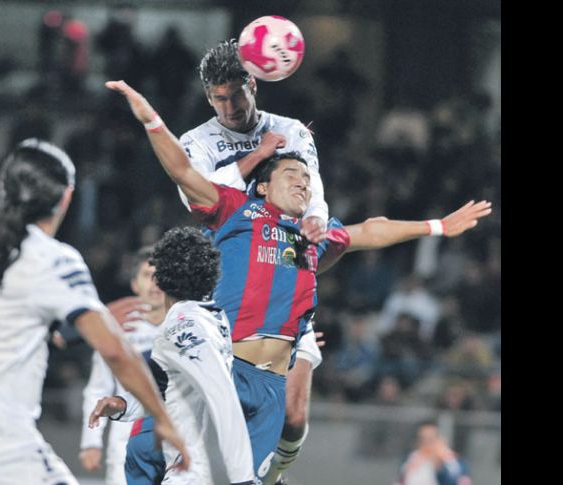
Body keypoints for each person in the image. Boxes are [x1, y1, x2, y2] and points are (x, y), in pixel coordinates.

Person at [105, 78, 491, 481]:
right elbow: (183, 171)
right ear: (264, 186)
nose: (302, 181)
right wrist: (149, 117)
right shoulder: (237, 210)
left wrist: (438, 227)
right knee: (153, 455)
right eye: (291, 173)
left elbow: (372, 230)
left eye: (306, 178)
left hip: (270, 384)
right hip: (223, 365)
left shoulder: (314, 238)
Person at [0, 139, 189, 484]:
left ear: (5, 189)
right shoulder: (53, 259)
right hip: (0, 448)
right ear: (66, 197)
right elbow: (116, 351)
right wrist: (161, 418)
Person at [178, 39, 328, 482]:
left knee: (295, 415)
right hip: (229, 278)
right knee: (216, 411)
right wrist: (260, 155)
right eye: (219, 98)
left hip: (288, 264)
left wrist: (317, 218)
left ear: (253, 85)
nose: (230, 107)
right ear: (208, 96)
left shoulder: (293, 129)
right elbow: (197, 198)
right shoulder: (196, 142)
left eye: (236, 94)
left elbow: (313, 184)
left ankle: (271, 473)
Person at [90, 227, 257, 485]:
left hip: (190, 471)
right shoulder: (212, 316)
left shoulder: (183, 326)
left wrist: (244, 479)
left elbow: (222, 396)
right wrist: (123, 405)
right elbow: (171, 390)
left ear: (162, 277)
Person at [79, 247, 166, 484]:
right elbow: (99, 388)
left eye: (162, 276)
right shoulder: (119, 328)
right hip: (126, 444)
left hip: (175, 444)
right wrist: (91, 442)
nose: (155, 284)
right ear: (135, 284)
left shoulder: (187, 326)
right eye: (148, 276)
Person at [395, 421, 472, 485]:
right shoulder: (410, 459)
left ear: (440, 439)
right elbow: (400, 480)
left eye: (431, 439)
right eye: (423, 439)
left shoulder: (454, 461)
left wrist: (439, 467)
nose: (427, 444)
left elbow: (460, 481)